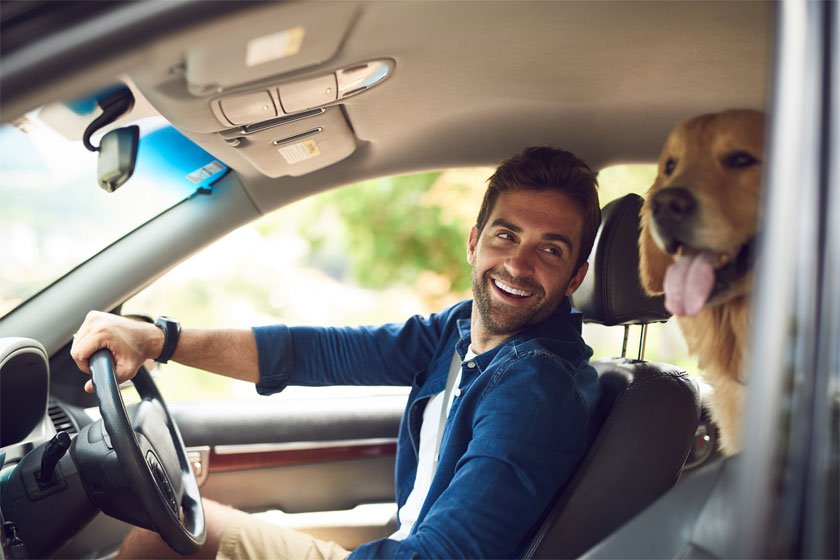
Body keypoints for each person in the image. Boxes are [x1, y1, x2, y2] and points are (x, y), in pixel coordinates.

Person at [71, 146, 602, 559]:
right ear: (474, 241)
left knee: (160, 541)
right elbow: (316, 352)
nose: (518, 264)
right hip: (402, 545)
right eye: (506, 236)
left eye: (550, 249)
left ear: (576, 276)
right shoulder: (460, 332)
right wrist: (159, 339)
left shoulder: (536, 389)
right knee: (166, 536)